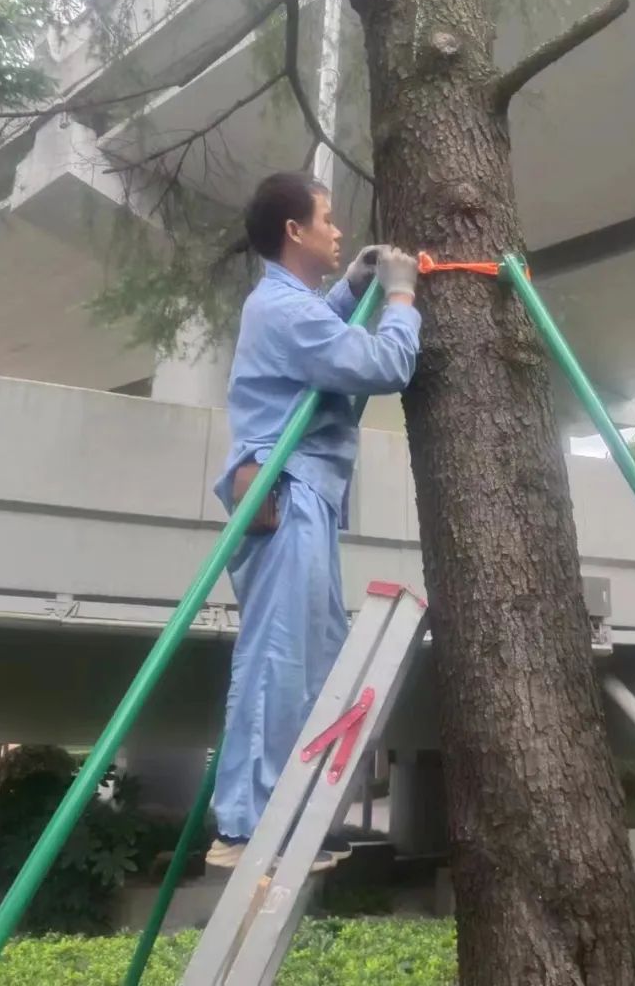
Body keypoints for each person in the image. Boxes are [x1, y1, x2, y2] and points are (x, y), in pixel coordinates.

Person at [209, 171, 421, 871]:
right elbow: (386, 362)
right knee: (278, 657)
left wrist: (350, 287)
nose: (338, 231)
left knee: (311, 659)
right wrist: (398, 295)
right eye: (327, 220)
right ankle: (246, 826)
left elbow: (316, 330)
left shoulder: (288, 305)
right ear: (294, 231)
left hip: (306, 497)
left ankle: (286, 813)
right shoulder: (282, 311)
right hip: (288, 491)